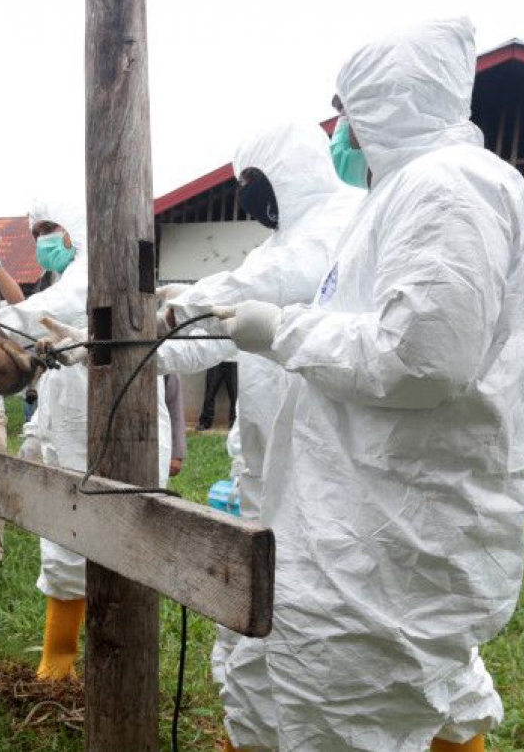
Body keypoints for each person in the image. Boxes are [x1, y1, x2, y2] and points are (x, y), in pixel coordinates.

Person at [214, 19, 524, 752]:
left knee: (353, 713)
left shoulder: (450, 188)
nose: (342, 135)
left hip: (394, 533)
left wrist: (284, 330)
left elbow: (423, 357)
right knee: (369, 701)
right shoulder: (399, 197)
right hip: (371, 519)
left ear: (389, 102)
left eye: (348, 114)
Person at [154, 121, 366, 748]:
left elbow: (276, 287)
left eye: (251, 182)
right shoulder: (268, 248)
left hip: (329, 483)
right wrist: (141, 347)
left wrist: (187, 299)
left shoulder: (346, 220)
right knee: (250, 640)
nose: (247, 196)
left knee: (333, 655)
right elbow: (214, 335)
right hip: (262, 477)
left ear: (287, 171)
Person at [0, 201, 179, 680]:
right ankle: (57, 664)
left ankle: (117, 668)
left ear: (75, 230)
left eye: (48, 229)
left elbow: (28, 319)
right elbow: (53, 386)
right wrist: (36, 436)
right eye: (36, 231)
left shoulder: (98, 276)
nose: (41, 241)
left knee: (114, 558)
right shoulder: (63, 289)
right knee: (63, 553)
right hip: (69, 442)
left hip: (119, 441)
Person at [196, 360, 237, 430]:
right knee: (210, 393)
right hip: (216, 359)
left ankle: (235, 423)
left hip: (233, 360)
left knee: (235, 395)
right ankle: (205, 422)